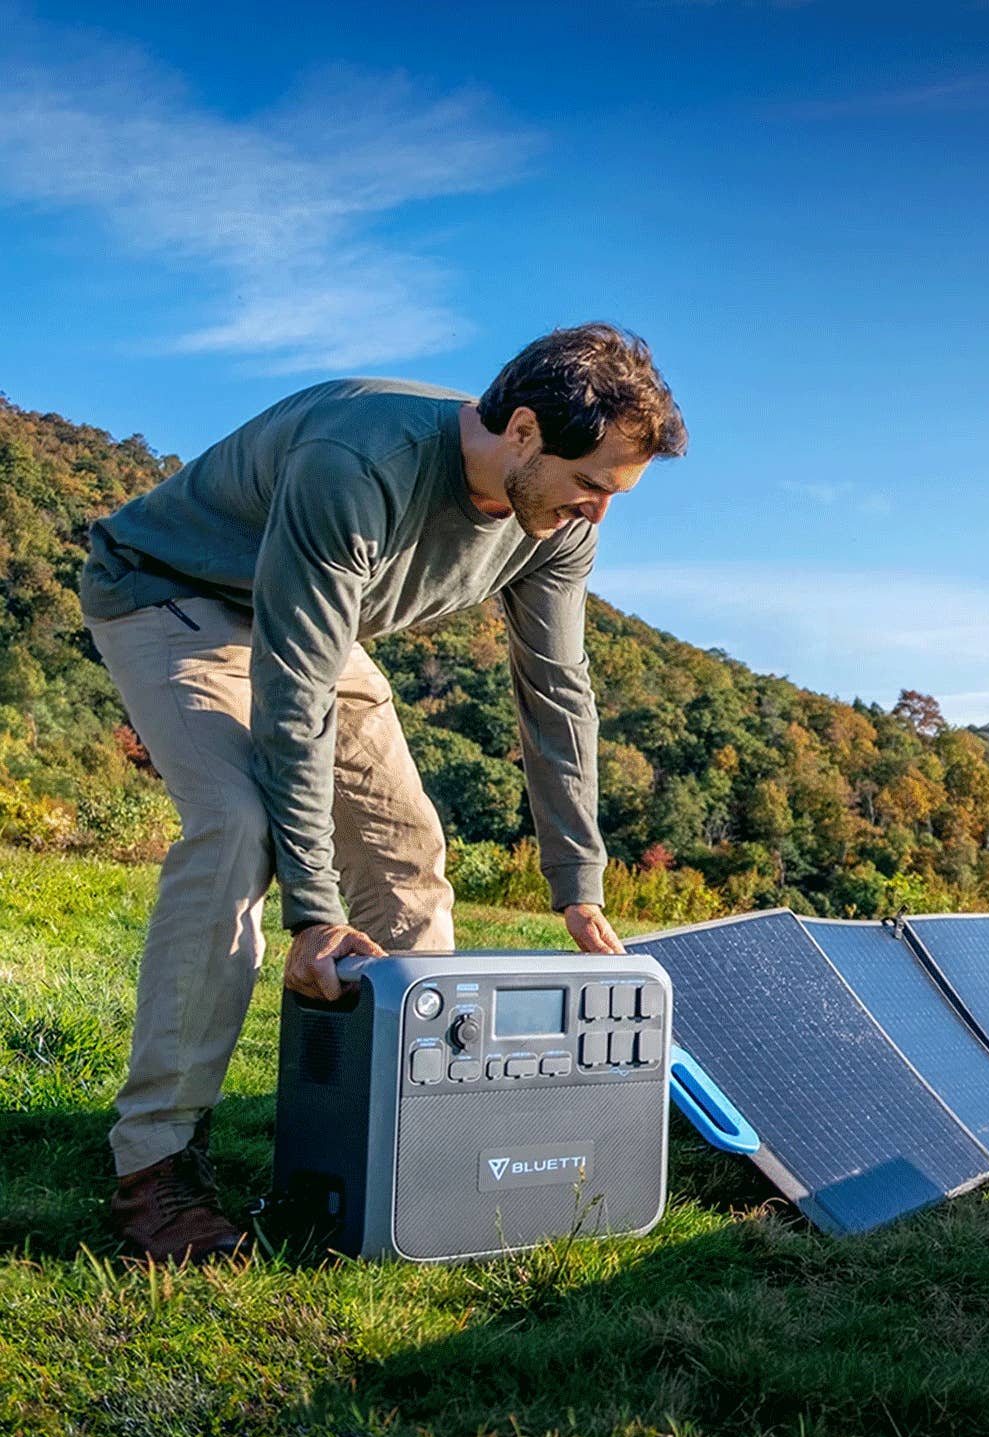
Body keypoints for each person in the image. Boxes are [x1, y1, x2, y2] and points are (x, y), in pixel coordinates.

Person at [78, 323, 685, 1262]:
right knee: (239, 830)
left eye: (616, 493)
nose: (599, 513)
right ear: (523, 430)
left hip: (322, 633)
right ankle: (155, 1174)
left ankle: (403, 1139)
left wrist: (580, 884)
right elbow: (294, 691)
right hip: (178, 601)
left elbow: (558, 694)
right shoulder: (359, 461)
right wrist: (315, 912)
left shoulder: (554, 527)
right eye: (593, 483)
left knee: (409, 857)